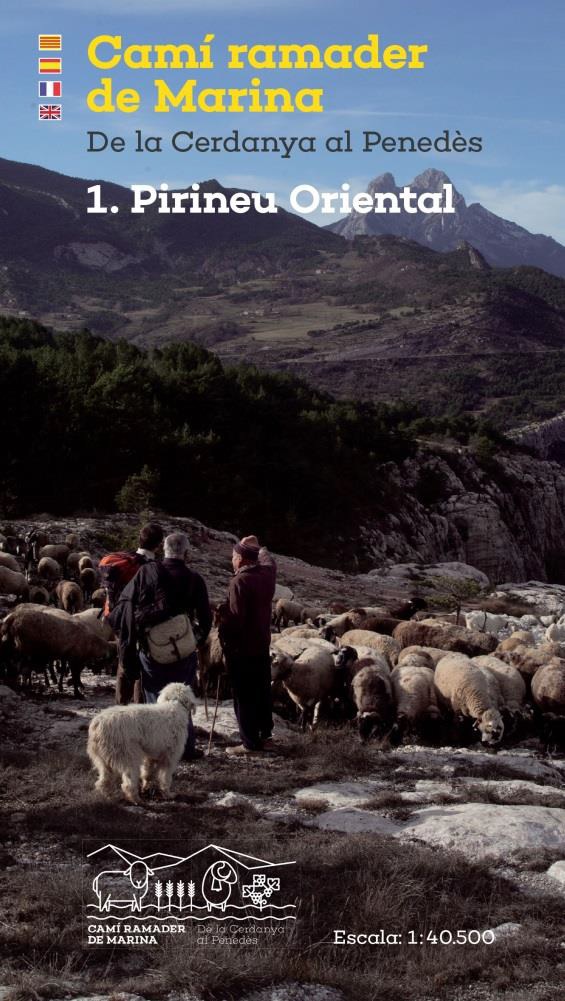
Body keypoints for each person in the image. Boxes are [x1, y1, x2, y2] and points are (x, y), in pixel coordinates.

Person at [111, 531, 212, 760]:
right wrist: (193, 641)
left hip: (151, 648)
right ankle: (184, 749)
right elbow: (205, 619)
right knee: (182, 700)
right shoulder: (194, 579)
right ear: (186, 553)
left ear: (163, 550)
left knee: (154, 698)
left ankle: (154, 751)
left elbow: (128, 606)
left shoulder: (146, 571)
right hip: (183, 651)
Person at [219, 535, 277, 756]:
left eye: (234, 556)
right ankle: (266, 736)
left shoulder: (239, 581)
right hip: (262, 644)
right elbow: (270, 561)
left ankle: (249, 742)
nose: (232, 560)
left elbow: (236, 619)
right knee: (262, 690)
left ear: (241, 559)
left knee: (243, 694)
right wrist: (259, 546)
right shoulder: (266, 576)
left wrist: (223, 619)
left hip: (242, 648)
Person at [107, 522, 165, 706]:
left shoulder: (123, 562)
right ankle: (139, 709)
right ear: (159, 544)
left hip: (120, 622)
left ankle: (120, 707)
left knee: (124, 662)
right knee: (142, 666)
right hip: (142, 624)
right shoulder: (153, 567)